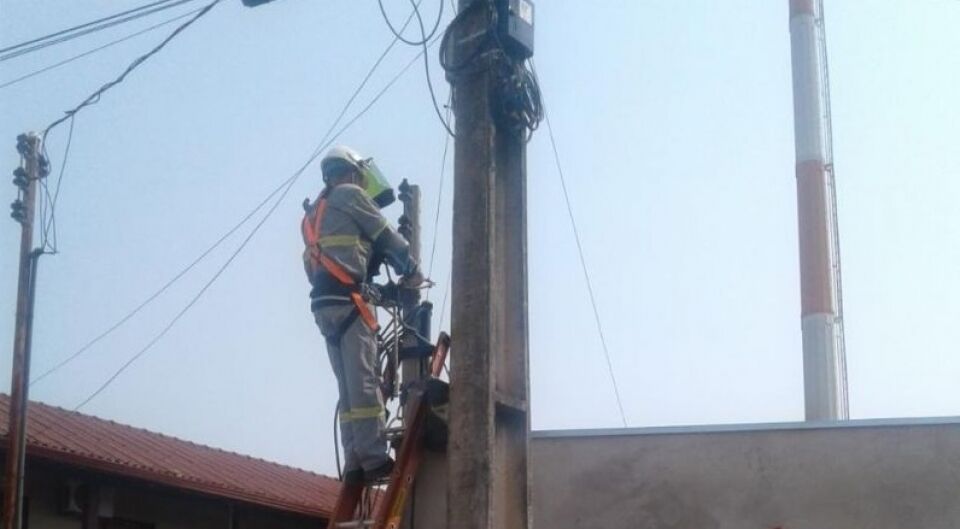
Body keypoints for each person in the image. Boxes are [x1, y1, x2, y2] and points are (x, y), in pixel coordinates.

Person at [301, 145, 421, 485]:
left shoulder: (315, 213)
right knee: (364, 381)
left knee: (348, 387)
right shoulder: (351, 194)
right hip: (348, 302)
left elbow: (322, 262)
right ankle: (374, 459)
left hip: (324, 306)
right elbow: (384, 236)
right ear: (352, 171)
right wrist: (410, 267)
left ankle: (354, 459)